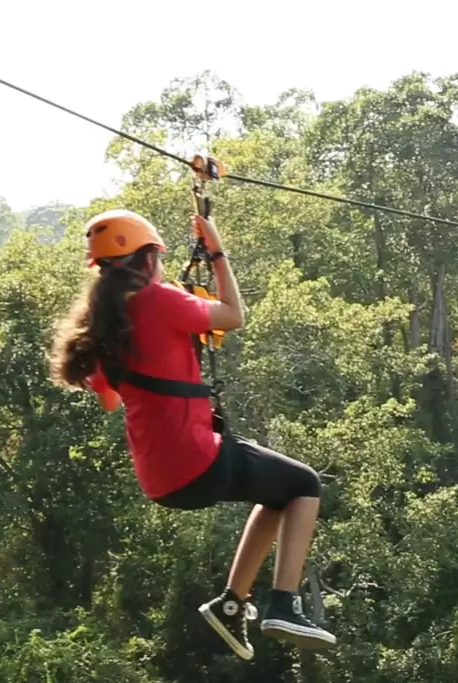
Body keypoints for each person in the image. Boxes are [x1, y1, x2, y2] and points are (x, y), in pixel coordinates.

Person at [48, 208, 337, 659]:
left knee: (276, 493)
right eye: (158, 259)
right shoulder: (159, 300)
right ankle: (284, 602)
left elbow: (109, 398)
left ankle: (231, 605)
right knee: (305, 484)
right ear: (147, 261)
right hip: (196, 457)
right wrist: (217, 252)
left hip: (160, 479)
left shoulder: (104, 328)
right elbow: (234, 316)